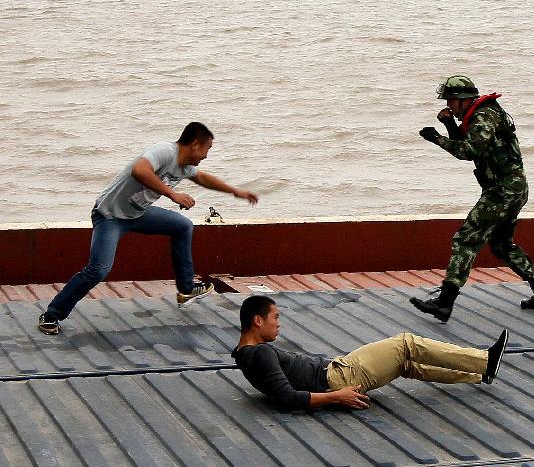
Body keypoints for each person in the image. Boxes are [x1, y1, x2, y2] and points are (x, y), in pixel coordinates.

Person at [38, 122, 259, 335]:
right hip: (110, 216)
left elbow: (201, 178)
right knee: (99, 270)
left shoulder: (186, 167)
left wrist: (234, 191)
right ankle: (52, 315)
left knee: (183, 226)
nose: (206, 156)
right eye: (207, 149)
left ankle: (186, 289)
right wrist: (172, 194)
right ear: (195, 144)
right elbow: (139, 170)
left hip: (138, 214)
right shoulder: (165, 152)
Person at [411, 75, 534, 322]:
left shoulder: (484, 117)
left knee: (466, 239)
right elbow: (471, 142)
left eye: (450, 101)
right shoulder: (482, 115)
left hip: (502, 191)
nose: (448, 105)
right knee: (501, 245)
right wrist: (449, 126)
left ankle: (444, 302)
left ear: (462, 100)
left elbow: (469, 151)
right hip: (513, 189)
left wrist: (437, 138)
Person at [232, 295, 509, 410]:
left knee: (406, 366)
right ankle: (485, 361)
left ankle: (477, 375)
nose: (278, 324)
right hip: (337, 378)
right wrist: (336, 396)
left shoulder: (244, 353)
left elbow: (280, 391)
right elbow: (286, 398)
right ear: (258, 321)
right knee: (406, 344)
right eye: (275, 318)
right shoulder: (261, 353)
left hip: (336, 374)